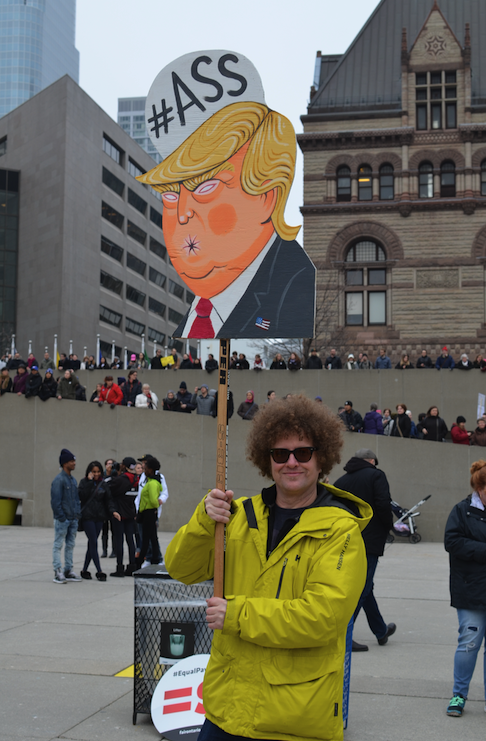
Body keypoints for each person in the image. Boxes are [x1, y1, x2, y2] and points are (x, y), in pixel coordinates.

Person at [165, 394, 370, 741]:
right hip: (226, 710)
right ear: (267, 460)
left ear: (322, 459)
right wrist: (204, 520)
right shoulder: (239, 515)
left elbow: (323, 618)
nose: (292, 462)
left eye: (303, 452)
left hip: (294, 719)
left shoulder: (341, 529)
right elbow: (181, 569)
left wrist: (237, 615)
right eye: (280, 454)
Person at [138, 97, 315, 340]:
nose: (182, 213)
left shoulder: (293, 291)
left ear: (266, 197)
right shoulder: (197, 313)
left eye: (206, 188)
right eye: (171, 195)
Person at [334, 448, 395, 652]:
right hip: (371, 538)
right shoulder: (377, 475)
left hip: (346, 538)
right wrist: (389, 526)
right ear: (371, 461)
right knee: (362, 586)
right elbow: (383, 504)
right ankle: (344, 635)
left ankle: (380, 630)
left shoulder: (342, 481)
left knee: (364, 585)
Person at [444, 460, 486, 717]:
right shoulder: (461, 510)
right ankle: (459, 695)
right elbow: (452, 541)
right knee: (469, 643)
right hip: (470, 590)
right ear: (479, 487)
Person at [50, 449, 81, 584]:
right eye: (71, 461)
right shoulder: (59, 480)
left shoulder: (72, 480)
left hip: (73, 518)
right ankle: (58, 570)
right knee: (58, 544)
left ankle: (68, 570)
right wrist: (61, 517)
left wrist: (76, 515)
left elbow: (76, 499)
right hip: (63, 519)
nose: (74, 463)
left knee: (70, 545)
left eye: (74, 461)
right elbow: (55, 501)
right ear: (64, 463)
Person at [78, 461, 110, 581]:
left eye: (98, 472)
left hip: (99, 517)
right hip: (87, 517)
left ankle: (84, 570)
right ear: (89, 472)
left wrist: (113, 512)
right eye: (94, 472)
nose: (96, 474)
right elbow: (82, 496)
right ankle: (99, 571)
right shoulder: (84, 482)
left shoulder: (103, 483)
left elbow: (108, 500)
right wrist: (90, 482)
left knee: (92, 543)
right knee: (94, 542)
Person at [107, 457, 139, 576]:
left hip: (119, 513)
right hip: (130, 512)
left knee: (119, 541)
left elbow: (109, 488)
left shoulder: (121, 479)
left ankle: (120, 568)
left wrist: (110, 475)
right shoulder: (137, 479)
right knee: (130, 540)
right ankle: (132, 566)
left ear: (124, 466)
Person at [135, 455, 164, 568]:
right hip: (147, 512)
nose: (144, 469)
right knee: (152, 538)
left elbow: (153, 500)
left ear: (151, 469)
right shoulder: (150, 481)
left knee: (147, 539)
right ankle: (155, 559)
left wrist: (155, 505)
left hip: (148, 513)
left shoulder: (152, 483)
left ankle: (140, 562)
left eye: (145, 468)